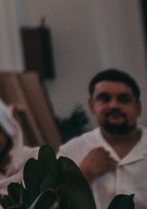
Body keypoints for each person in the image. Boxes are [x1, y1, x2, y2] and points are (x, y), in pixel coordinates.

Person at [61, 69, 145, 208]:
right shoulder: (70, 152)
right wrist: (85, 172)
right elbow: (54, 203)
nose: (114, 105)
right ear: (92, 105)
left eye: (124, 99)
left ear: (138, 107)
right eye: (104, 98)